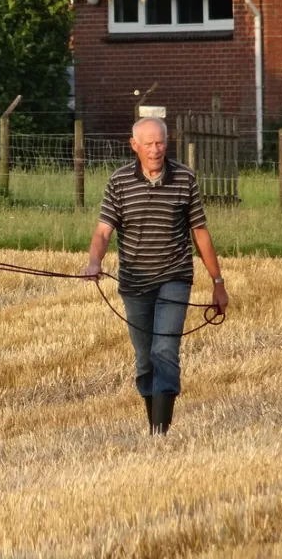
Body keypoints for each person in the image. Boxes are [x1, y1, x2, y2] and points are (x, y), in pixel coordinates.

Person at [81, 117, 229, 435]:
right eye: (147, 144)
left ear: (168, 142)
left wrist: (218, 283)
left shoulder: (185, 178)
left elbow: (200, 233)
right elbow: (104, 230)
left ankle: (160, 432)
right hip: (134, 282)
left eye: (160, 142)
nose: (155, 150)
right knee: (144, 356)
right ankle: (153, 425)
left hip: (175, 276)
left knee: (164, 350)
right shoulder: (119, 182)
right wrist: (94, 261)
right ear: (134, 146)